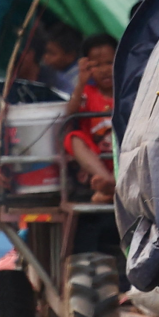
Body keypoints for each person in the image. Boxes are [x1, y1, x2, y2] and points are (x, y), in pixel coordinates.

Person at [64, 34, 117, 202]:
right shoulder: (86, 93)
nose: (105, 70)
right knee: (73, 138)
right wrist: (81, 82)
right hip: (98, 163)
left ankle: (110, 191)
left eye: (110, 63)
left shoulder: (127, 93)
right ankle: (109, 183)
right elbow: (70, 112)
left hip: (122, 159)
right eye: (97, 65)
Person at [40, 22, 83, 96]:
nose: (46, 57)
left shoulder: (77, 79)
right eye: (46, 52)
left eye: (52, 54)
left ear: (70, 56)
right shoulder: (50, 71)